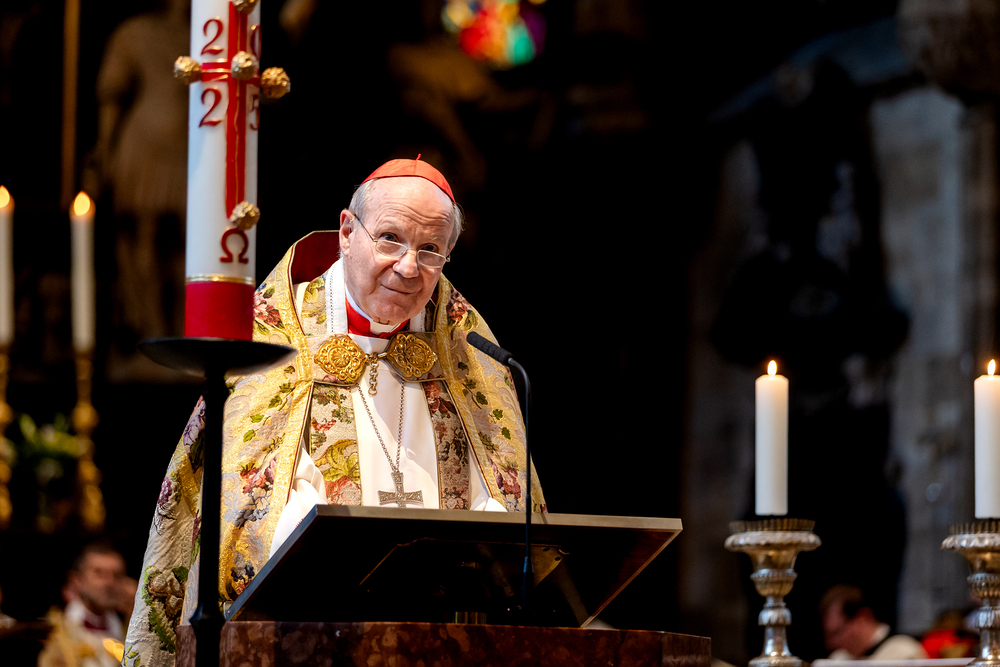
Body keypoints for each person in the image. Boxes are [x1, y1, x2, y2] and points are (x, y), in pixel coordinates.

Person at [123, 158, 545, 667]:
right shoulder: (274, 337)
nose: (409, 267)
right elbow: (248, 515)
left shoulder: (469, 350)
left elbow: (507, 509)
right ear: (347, 232)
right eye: (390, 239)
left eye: (431, 249)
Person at [38, 542, 128, 667]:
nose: (109, 582)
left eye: (117, 575)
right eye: (99, 574)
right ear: (78, 580)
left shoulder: (130, 632)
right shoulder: (53, 633)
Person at [820, 584, 927, 660]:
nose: (832, 643)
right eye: (828, 635)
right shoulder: (838, 659)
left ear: (862, 618)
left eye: (837, 632)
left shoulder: (904, 653)